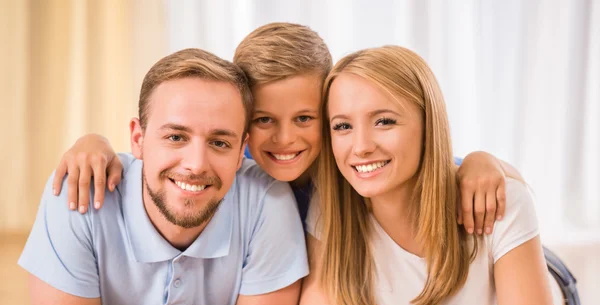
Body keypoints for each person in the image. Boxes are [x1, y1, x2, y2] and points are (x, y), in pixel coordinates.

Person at [292, 45, 581, 305]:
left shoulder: (504, 200)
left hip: (551, 287)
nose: (362, 146)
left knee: (503, 190)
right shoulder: (333, 208)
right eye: (342, 126)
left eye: (384, 121)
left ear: (429, 124)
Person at [53, 23, 517, 236]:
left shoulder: (356, 160)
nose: (284, 139)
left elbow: (454, 166)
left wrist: (482, 161)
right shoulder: (237, 163)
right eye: (262, 121)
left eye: (305, 119)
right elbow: (164, 155)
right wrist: (91, 142)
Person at [18, 48, 309, 305]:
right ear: (138, 139)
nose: (196, 164)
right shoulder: (80, 191)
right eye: (175, 137)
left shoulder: (267, 199)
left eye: (219, 143)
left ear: (241, 149)